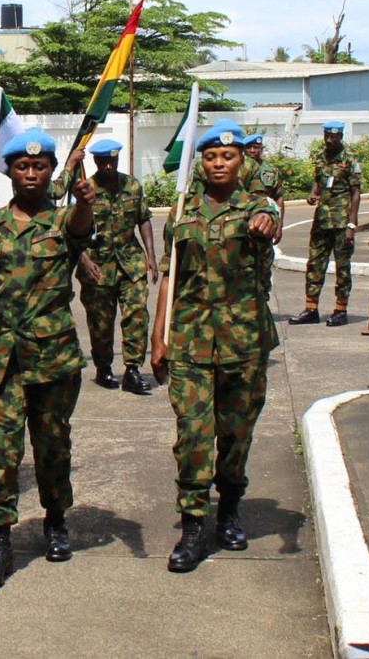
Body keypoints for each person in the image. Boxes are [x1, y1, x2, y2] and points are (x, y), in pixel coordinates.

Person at [0, 128, 95, 588]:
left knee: (53, 447)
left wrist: (86, 199)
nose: (31, 173)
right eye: (22, 166)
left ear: (52, 171)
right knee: (1, 453)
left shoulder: (63, 221)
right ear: (9, 171)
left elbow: (81, 226)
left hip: (52, 358)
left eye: (40, 166)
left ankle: (55, 521)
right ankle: (0, 541)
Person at [151, 121, 279, 573]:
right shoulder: (181, 212)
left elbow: (272, 223)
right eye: (210, 157)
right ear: (200, 163)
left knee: (236, 434)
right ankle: (192, 525)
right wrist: (157, 334)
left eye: (228, 156)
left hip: (244, 342)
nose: (219, 163)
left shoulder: (257, 206)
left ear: (241, 160)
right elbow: (170, 274)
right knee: (192, 434)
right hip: (189, 339)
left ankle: (229, 509)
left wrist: (266, 223)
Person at [75, 139, 157, 395]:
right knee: (101, 322)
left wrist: (151, 257)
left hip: (130, 262)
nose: (108, 165)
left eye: (112, 160)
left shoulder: (132, 185)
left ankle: (132, 370)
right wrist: (83, 259)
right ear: (95, 162)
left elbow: (143, 220)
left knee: (136, 315)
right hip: (97, 266)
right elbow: (71, 230)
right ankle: (103, 368)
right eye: (103, 161)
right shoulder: (85, 190)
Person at [290, 120, 359, 327]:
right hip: (321, 221)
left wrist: (352, 225)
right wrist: (313, 193)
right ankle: (311, 309)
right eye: (327, 136)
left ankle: (340, 310)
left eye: (334, 137)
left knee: (342, 267)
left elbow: (356, 192)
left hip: (341, 222)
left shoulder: (350, 159)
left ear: (341, 137)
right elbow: (319, 181)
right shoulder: (321, 157)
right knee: (314, 264)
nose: (330, 140)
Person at [243, 133, 284, 299]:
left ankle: (263, 302)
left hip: (265, 226)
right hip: (243, 225)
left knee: (264, 266)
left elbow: (278, 198)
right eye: (250, 147)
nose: (253, 150)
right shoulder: (239, 169)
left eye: (256, 147)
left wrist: (279, 226)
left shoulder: (271, 171)